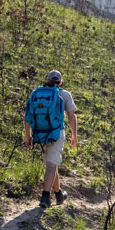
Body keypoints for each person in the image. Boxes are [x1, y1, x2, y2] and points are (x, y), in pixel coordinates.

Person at [24, 70, 78, 207]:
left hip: (40, 133)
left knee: (51, 163)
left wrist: (28, 136)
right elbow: (72, 116)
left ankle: (59, 193)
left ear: (47, 80)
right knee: (51, 165)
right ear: (60, 82)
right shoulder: (65, 94)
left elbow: (28, 116)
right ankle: (45, 197)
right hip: (56, 134)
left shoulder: (37, 94)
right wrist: (74, 135)